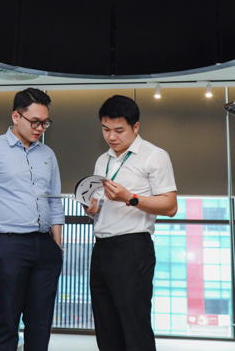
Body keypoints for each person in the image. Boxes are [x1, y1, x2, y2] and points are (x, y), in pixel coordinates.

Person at [0, 88, 64, 351]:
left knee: (40, 326)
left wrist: (57, 244)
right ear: (16, 116)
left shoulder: (48, 155)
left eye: (45, 122)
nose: (40, 128)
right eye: (35, 122)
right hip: (7, 246)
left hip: (45, 247)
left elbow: (55, 201)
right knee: (7, 324)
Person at [85, 95, 177, 351]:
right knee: (105, 327)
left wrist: (131, 198)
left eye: (119, 130)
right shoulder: (102, 160)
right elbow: (102, 207)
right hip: (101, 248)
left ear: (136, 127)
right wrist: (92, 209)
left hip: (133, 248)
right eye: (105, 129)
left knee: (134, 327)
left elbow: (170, 206)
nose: (111, 137)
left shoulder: (154, 156)